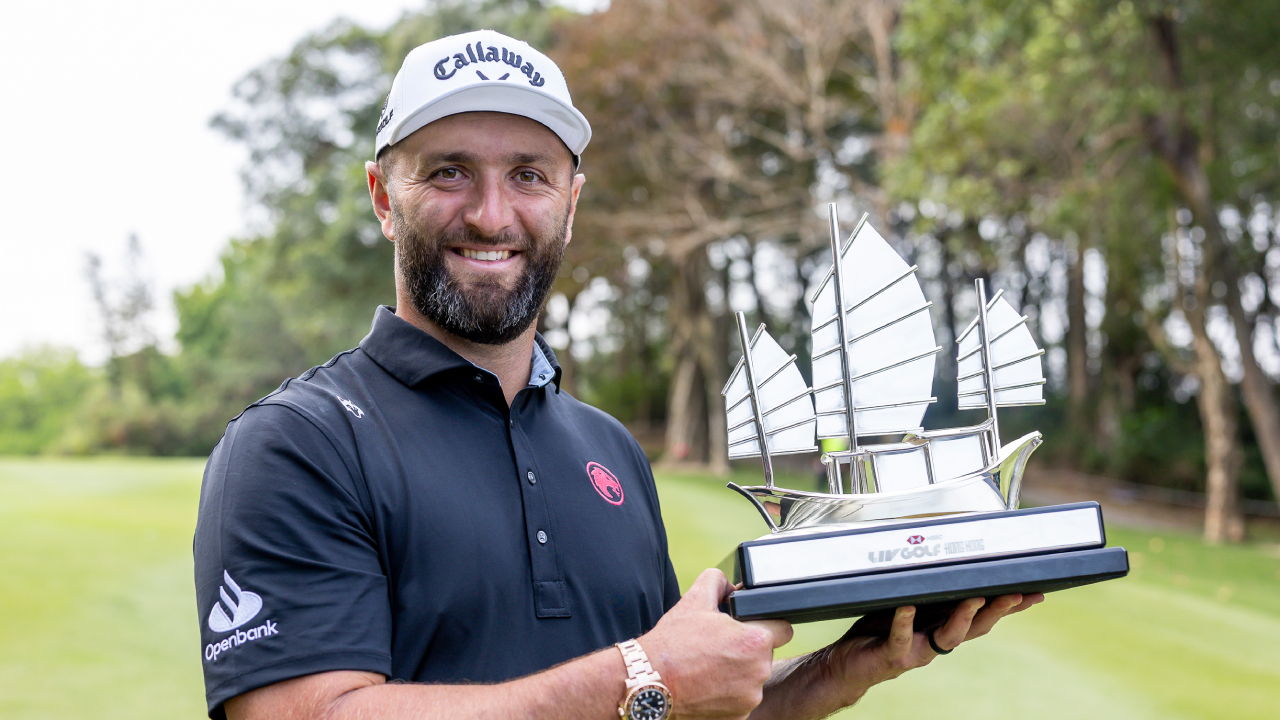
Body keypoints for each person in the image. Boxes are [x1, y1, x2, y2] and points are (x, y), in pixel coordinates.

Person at [193, 29, 1042, 720]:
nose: (492, 214)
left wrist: (837, 672)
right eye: (449, 170)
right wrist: (645, 672)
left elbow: (660, 709)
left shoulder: (608, 450)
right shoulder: (296, 444)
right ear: (384, 197)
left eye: (529, 175)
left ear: (571, 200)